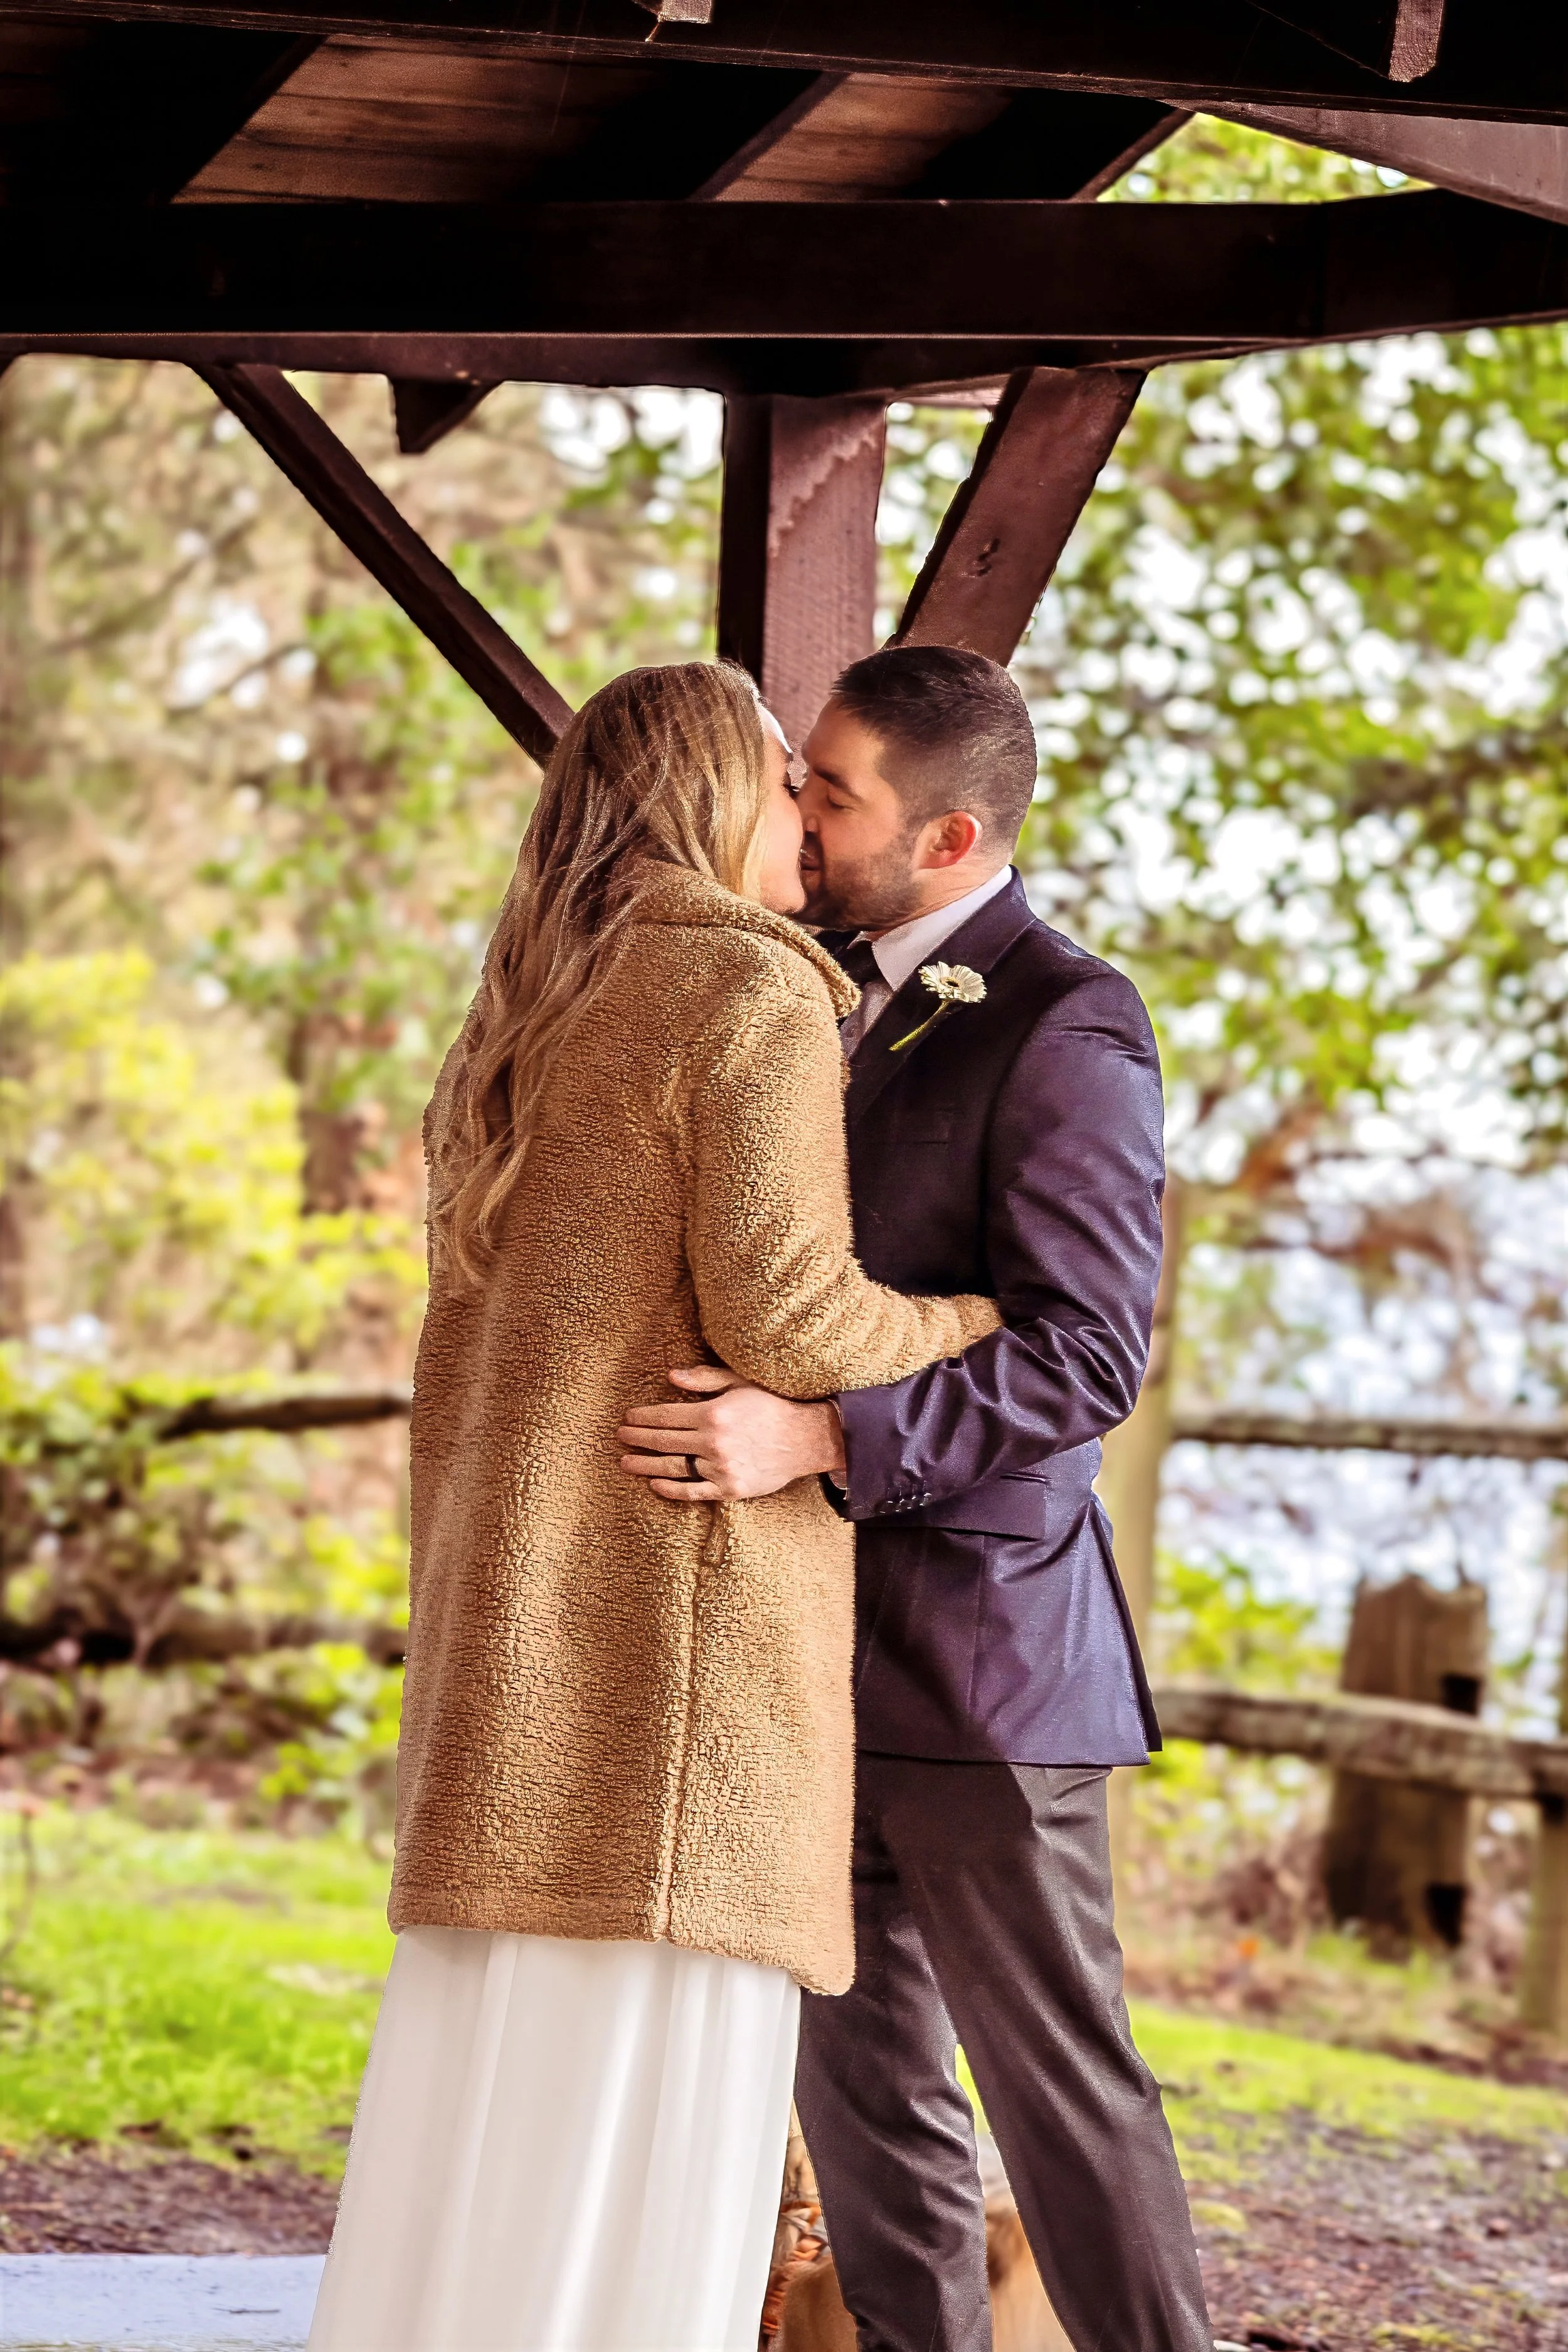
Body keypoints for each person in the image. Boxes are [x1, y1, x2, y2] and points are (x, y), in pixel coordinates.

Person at [305, 660, 999, 2352]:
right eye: (784, 782)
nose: (806, 823)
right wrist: (985, 1320)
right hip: (673, 1681)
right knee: (641, 2171)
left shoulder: (526, 1008)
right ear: (704, 793)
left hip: (507, 1676)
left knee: (487, 2139)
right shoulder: (740, 988)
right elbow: (793, 1320)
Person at [619, 646, 1214, 2352]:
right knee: (864, 2078)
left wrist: (822, 1439)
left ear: (948, 837)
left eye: (831, 792)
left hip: (988, 1664)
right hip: (804, 1651)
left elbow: (1088, 1353)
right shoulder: (799, 981)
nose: (794, 808)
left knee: (1060, 2092)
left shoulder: (1067, 1018)